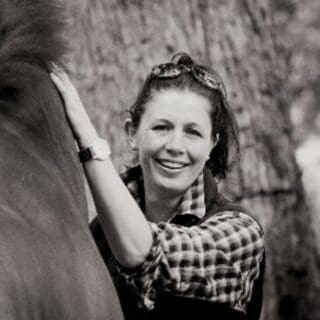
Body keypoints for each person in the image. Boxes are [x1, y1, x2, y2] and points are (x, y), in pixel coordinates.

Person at [50, 52, 265, 320]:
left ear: (211, 144)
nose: (175, 146)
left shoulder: (240, 232)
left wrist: (87, 137)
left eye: (193, 132)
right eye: (162, 127)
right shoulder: (99, 234)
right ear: (132, 134)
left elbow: (144, 251)